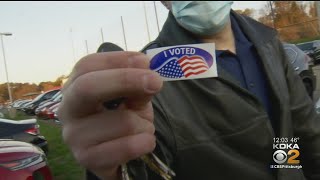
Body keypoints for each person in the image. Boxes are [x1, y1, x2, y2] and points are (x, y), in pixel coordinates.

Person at [58, 1, 320, 180]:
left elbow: (296, 129)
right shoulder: (148, 76)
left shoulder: (266, 42)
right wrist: (113, 167)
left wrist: (287, 169)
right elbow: (144, 166)